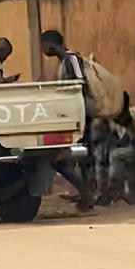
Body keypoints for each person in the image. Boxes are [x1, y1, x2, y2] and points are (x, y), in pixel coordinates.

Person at [41, 29, 93, 211]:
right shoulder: (64, 62)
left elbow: (80, 83)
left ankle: (87, 195)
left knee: (64, 157)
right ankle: (85, 194)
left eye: (43, 45)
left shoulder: (71, 59)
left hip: (79, 115)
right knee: (66, 158)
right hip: (70, 116)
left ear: (49, 44)